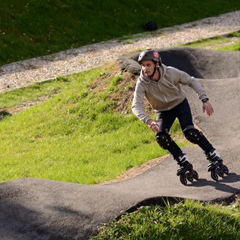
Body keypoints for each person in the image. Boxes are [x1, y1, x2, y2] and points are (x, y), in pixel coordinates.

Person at [132, 49, 227, 180]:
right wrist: (148, 120)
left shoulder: (170, 73)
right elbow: (136, 105)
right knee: (161, 137)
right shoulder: (142, 82)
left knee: (190, 133)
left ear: (157, 64)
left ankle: (213, 155)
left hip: (180, 104)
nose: (145, 69)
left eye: (148, 65)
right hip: (164, 110)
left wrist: (204, 99)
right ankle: (183, 161)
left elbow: (191, 80)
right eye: (143, 65)